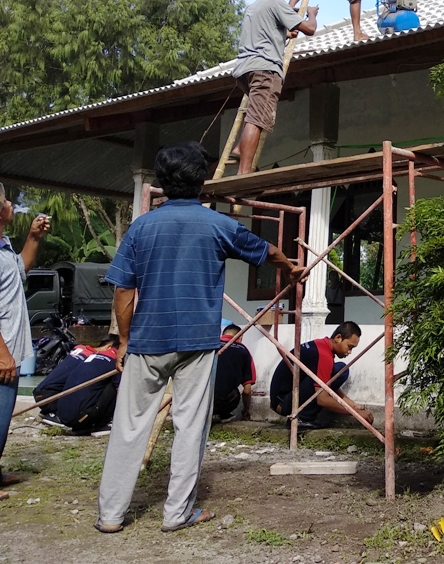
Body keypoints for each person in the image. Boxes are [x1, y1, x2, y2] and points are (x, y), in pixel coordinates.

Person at [95, 141, 304, 534]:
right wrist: (291, 268)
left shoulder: (141, 226)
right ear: (202, 181)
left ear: (162, 182)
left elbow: (123, 291)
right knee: (190, 426)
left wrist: (123, 340)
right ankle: (177, 513)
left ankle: (110, 516)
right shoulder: (218, 225)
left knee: (129, 427)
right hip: (197, 342)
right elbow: (267, 250)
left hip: (147, 341)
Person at [231, 0, 319, 175]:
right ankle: (244, 173)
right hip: (264, 69)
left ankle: (238, 149)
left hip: (244, 70)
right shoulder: (277, 4)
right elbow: (310, 29)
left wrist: (285, 35)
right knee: (257, 120)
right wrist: (311, 14)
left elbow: (263, 33)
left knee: (254, 113)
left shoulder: (253, 8)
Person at [0, 183, 50, 501]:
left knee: (2, 418)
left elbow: (21, 272)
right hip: (1, 352)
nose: (10, 205)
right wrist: (2, 353)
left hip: (9, 351)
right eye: (6, 200)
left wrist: (33, 238)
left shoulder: (3, 244)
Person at [269, 322, 373, 429]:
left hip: (285, 398)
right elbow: (322, 399)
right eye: (349, 347)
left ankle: (303, 416)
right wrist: (355, 413)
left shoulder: (321, 346)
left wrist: (353, 405)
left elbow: (327, 385)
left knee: (339, 370)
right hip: (283, 403)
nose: (350, 352)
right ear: (338, 338)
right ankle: (302, 418)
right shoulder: (323, 355)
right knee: (340, 370)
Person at [57, 337, 120, 434]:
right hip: (80, 418)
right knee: (116, 386)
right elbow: (120, 390)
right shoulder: (116, 360)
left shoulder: (92, 357)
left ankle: (85, 424)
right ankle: (102, 425)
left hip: (62, 415)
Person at [33, 341, 103, 422]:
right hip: (49, 397)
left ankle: (47, 411)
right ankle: (57, 414)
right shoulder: (93, 358)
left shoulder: (79, 348)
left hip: (39, 393)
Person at [213, 324, 256, 422]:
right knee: (234, 393)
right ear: (240, 337)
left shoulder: (211, 345)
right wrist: (246, 410)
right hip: (223, 402)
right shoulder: (244, 351)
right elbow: (247, 390)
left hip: (201, 398)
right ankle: (224, 414)